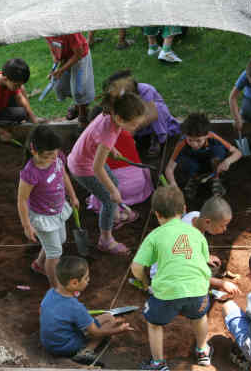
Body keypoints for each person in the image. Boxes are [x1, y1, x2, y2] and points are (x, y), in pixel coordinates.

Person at [130, 186, 213, 371]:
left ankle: (158, 363)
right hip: (198, 290)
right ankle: (202, 351)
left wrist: (145, 283)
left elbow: (136, 267)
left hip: (167, 293)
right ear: (184, 208)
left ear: (157, 214)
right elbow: (205, 260)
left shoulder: (155, 236)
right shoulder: (196, 234)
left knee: (154, 324)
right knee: (199, 317)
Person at [67, 83, 148, 255]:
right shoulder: (108, 133)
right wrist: (112, 191)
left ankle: (115, 210)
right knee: (109, 200)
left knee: (115, 182)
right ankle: (106, 240)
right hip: (83, 167)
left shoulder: (110, 115)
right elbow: (97, 168)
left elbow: (96, 140)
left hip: (87, 158)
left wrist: (113, 151)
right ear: (119, 118)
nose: (135, 128)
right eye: (133, 125)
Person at [39, 256, 134, 365]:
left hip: (48, 343)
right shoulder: (76, 307)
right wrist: (118, 330)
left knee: (108, 316)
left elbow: (41, 311)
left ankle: (82, 337)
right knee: (107, 326)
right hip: (66, 347)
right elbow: (95, 332)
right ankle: (86, 351)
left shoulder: (50, 293)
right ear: (74, 283)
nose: (88, 281)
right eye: (86, 278)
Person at [18, 125, 79, 288]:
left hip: (58, 210)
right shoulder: (30, 173)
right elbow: (22, 200)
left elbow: (64, 175)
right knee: (55, 253)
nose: (53, 158)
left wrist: (72, 196)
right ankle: (56, 289)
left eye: (55, 153)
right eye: (47, 155)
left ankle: (38, 264)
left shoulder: (57, 158)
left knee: (61, 240)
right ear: (33, 150)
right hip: (42, 217)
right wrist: (26, 225)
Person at [145, 196, 240, 298]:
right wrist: (222, 283)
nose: (224, 229)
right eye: (222, 225)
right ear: (207, 221)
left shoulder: (195, 215)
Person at [102, 69, 181, 157]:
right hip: (137, 121)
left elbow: (153, 114)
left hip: (154, 119)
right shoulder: (121, 96)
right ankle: (139, 138)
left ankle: (157, 138)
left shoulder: (145, 89)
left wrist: (132, 128)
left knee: (158, 108)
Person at [164, 113, 241, 200]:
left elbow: (237, 153)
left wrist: (228, 161)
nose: (194, 144)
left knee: (218, 151)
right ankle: (194, 179)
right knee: (185, 162)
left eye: (198, 140)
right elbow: (169, 169)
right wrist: (174, 185)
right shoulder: (182, 143)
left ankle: (216, 179)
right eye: (190, 140)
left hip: (212, 163)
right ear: (185, 135)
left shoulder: (213, 137)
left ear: (207, 135)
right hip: (194, 164)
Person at [86, 123, 154, 219]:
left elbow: (96, 170)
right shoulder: (125, 133)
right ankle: (123, 209)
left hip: (122, 189)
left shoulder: (100, 141)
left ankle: (120, 215)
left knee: (101, 191)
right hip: (140, 185)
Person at [45, 33, 96, 128]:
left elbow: (79, 53)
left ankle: (83, 115)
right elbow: (51, 44)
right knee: (60, 87)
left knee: (79, 90)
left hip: (80, 57)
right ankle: (78, 105)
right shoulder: (46, 30)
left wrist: (61, 70)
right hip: (66, 57)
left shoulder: (70, 32)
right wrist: (56, 59)